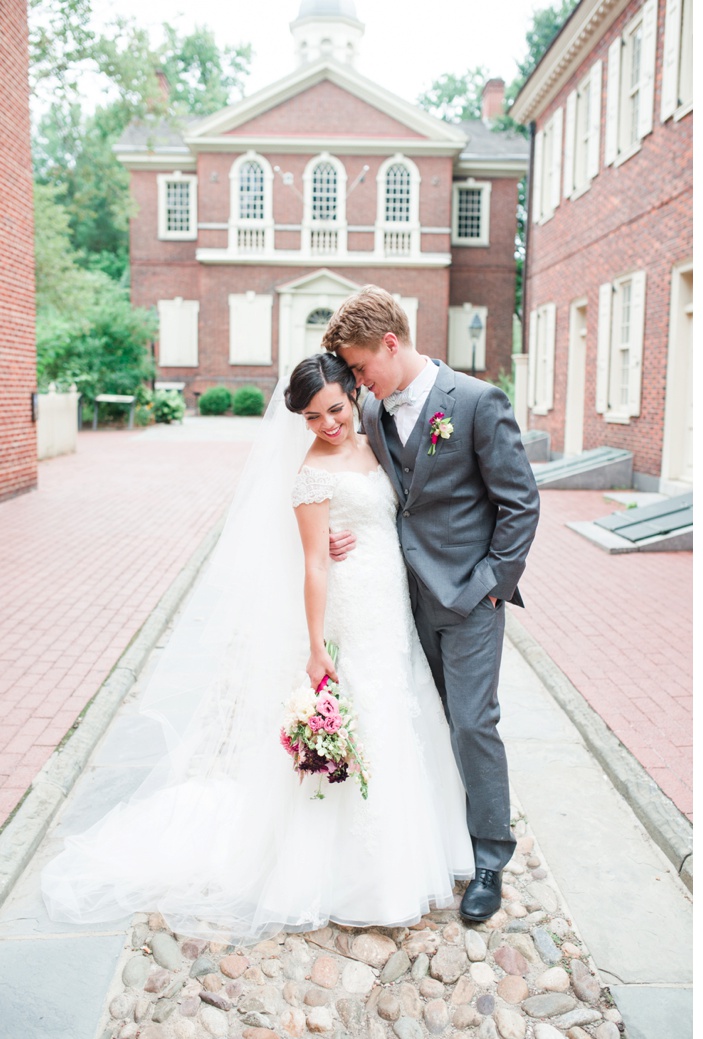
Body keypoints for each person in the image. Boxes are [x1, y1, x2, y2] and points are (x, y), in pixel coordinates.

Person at [42, 353, 473, 939]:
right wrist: (318, 646)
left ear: (353, 394)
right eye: (314, 416)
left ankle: (416, 849)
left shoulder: (376, 436)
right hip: (351, 609)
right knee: (366, 718)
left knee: (402, 716)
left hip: (391, 607)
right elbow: (315, 563)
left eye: (336, 409)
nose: (327, 424)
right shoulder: (311, 474)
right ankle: (360, 878)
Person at [321, 286, 539, 923]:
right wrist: (338, 527)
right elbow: (364, 485)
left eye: (362, 367)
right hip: (398, 596)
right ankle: (441, 839)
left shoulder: (474, 401)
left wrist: (493, 582)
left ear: (391, 343)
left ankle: (492, 857)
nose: (358, 381)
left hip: (472, 595)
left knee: (473, 722)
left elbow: (520, 502)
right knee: (424, 718)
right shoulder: (373, 414)